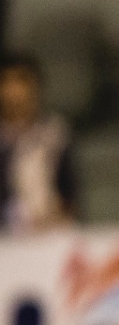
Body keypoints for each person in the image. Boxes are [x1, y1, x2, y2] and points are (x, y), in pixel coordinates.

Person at [0, 54, 73, 232]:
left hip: (48, 230)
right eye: (6, 82)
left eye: (21, 81)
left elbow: (69, 191)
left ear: (36, 86)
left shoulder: (55, 133)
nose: (14, 91)